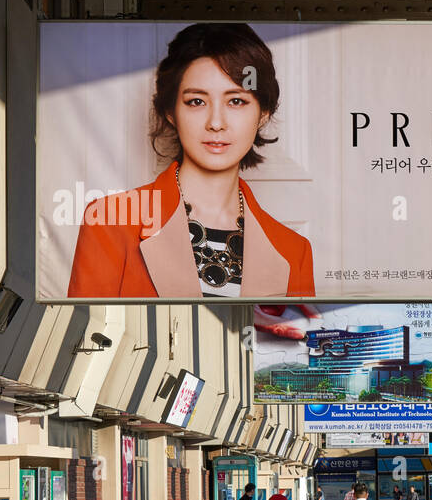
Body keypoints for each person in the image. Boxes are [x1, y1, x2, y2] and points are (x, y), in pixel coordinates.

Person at [67, 22, 314, 299]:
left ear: (263, 114)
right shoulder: (110, 221)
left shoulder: (294, 252)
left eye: (236, 101)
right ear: (170, 111)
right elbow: (86, 336)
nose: (216, 123)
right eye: (197, 101)